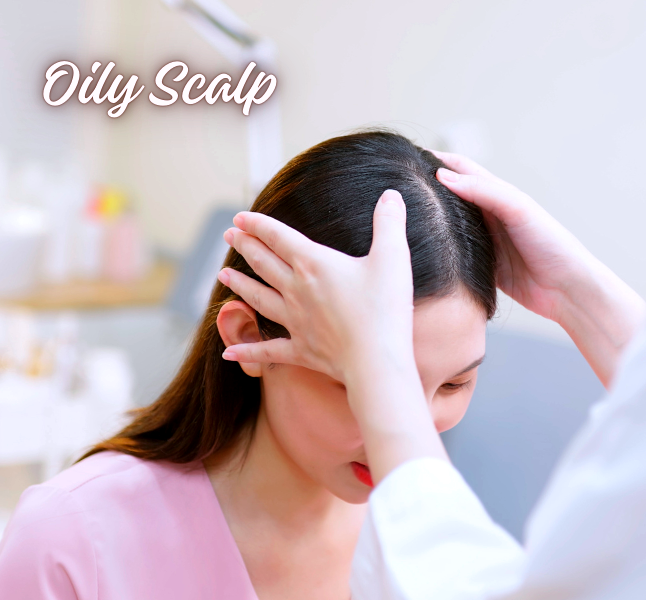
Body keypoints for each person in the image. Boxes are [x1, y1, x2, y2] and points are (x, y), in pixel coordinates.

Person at [217, 1, 646, 598]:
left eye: (454, 384)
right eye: (348, 380)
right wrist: (572, 292)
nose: (422, 419)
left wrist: (374, 366)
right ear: (247, 336)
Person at [0, 131, 505, 600]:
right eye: (365, 380)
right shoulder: (72, 540)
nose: (417, 429)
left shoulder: (439, 538)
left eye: (455, 383)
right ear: (249, 336)